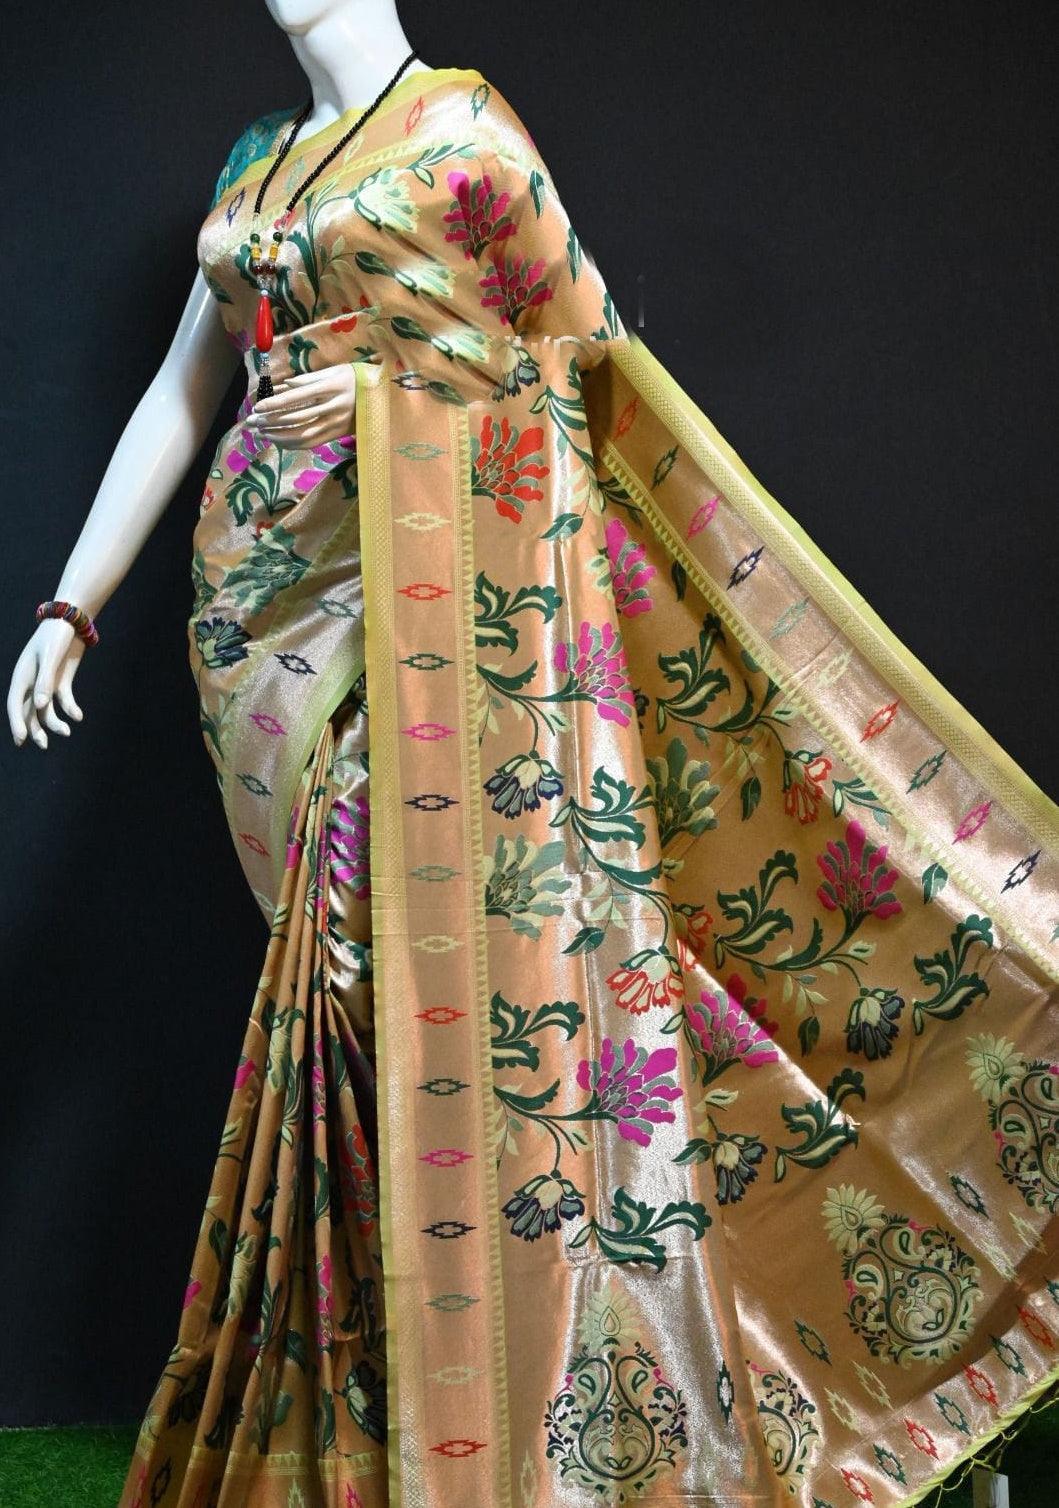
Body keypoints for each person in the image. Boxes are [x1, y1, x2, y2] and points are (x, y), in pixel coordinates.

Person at [9, 5, 1058, 1506]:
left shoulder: (465, 135)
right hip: (263, 626)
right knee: (357, 1012)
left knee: (414, 979)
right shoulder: (255, 163)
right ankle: (400, 1410)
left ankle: (792, 1367)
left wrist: (391, 402)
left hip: (426, 618)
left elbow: (590, 374)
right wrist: (71, 605)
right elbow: (185, 390)